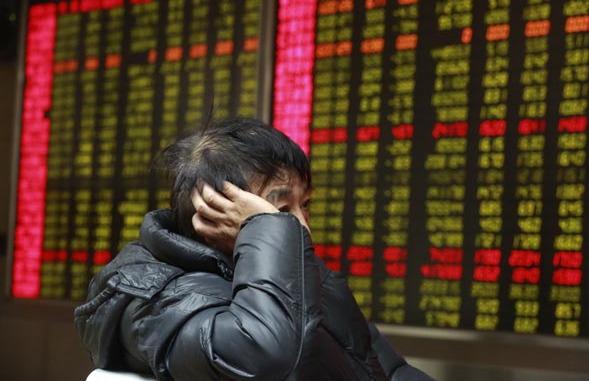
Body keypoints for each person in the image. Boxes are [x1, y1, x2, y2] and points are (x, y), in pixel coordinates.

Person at [75, 117, 435, 381]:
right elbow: (262, 356)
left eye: (305, 205)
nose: (301, 227)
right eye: (278, 212)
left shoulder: (288, 268)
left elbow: (385, 369)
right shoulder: (152, 296)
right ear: (212, 213)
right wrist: (268, 230)